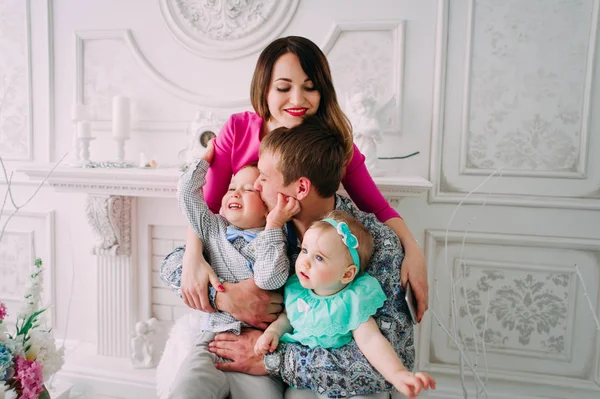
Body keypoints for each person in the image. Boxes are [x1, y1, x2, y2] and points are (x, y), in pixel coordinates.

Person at [178, 36, 429, 335]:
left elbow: (377, 206)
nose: (297, 100)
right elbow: (205, 206)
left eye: (310, 88)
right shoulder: (239, 129)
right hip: (245, 261)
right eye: (284, 88)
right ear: (264, 90)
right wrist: (192, 258)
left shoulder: (330, 144)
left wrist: (414, 251)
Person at [203, 118, 423, 398]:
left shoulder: (377, 242)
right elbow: (176, 263)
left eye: (265, 177)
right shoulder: (261, 222)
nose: (256, 185)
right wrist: (219, 296)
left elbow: (387, 363)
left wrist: (274, 360)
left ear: (301, 188)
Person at [158, 140, 299, 399]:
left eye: (248, 190)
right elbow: (187, 196)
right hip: (215, 340)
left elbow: (269, 278)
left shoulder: (279, 242)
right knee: (188, 389)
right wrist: (205, 162)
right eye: (232, 187)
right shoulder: (213, 229)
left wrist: (274, 225)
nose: (235, 192)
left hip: (260, 347)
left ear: (268, 206)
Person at [254, 210, 435, 399]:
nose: (304, 263)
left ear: (347, 274)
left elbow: (370, 340)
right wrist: (273, 332)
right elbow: (288, 318)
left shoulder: (352, 300)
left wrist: (398, 374)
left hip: (347, 385)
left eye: (319, 258)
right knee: (294, 396)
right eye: (305, 251)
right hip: (308, 380)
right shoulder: (297, 290)